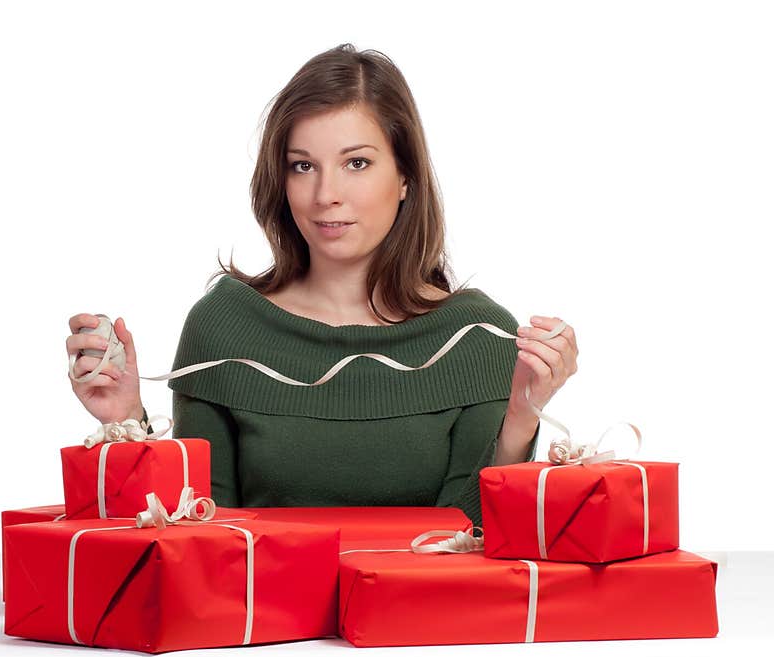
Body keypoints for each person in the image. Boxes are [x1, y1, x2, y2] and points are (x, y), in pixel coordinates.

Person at [65, 43, 579, 525]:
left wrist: (520, 419)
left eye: (356, 163)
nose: (325, 193)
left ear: (405, 177)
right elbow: (195, 535)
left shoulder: (478, 335)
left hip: (415, 619)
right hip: (262, 620)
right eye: (303, 166)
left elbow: (471, 543)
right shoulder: (225, 326)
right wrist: (128, 423)